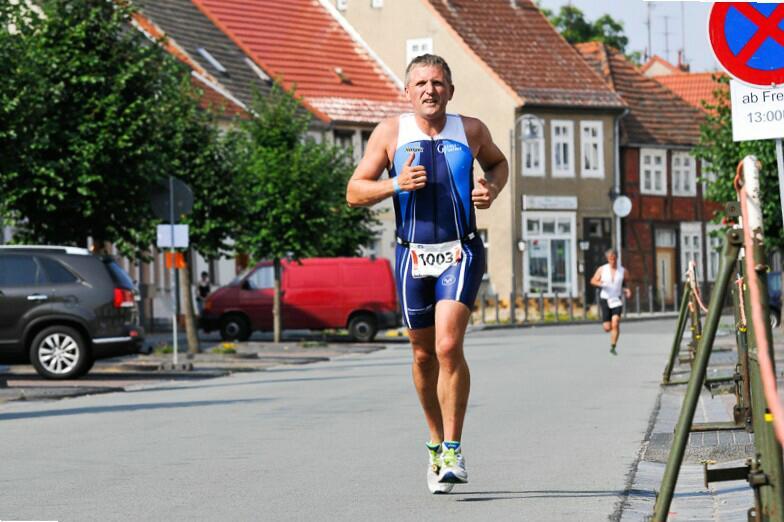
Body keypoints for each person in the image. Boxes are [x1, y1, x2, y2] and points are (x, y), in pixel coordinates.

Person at [346, 54, 508, 494]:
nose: (429, 90)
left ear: (450, 90)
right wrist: (395, 183)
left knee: (448, 345)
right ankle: (435, 443)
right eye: (420, 83)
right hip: (412, 256)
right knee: (422, 356)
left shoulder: (471, 130)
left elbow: (498, 164)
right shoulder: (390, 133)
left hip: (460, 251)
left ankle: (453, 449)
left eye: (437, 83)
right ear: (407, 91)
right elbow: (354, 191)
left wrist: (491, 188)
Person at [590, 249, 631, 355]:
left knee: (615, 322)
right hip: (605, 299)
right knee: (607, 328)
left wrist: (627, 290)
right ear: (607, 259)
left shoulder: (623, 271)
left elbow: (626, 282)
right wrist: (600, 283)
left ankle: (613, 346)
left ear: (617, 258)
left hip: (616, 299)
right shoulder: (602, 269)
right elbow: (593, 280)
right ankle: (611, 328)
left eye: (614, 259)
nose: (612, 261)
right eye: (610, 259)